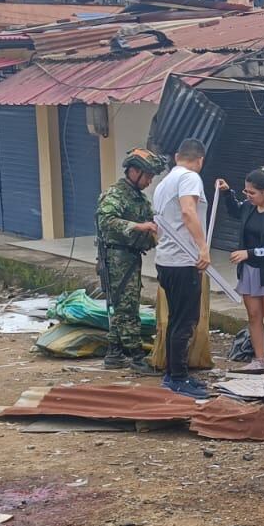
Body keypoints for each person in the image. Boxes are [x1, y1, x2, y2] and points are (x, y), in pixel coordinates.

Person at [95, 148, 164, 374]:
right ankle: (136, 356)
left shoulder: (139, 198)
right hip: (117, 258)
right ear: (134, 171)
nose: (149, 181)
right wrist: (137, 226)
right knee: (127, 307)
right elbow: (105, 220)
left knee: (122, 305)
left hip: (131, 256)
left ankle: (114, 352)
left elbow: (151, 219)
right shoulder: (115, 195)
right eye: (147, 176)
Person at [152, 137, 211, 399]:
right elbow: (188, 212)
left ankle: (176, 373)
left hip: (166, 260)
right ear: (200, 160)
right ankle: (177, 378)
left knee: (177, 319)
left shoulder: (164, 182)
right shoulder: (190, 178)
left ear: (177, 156)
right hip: (182, 260)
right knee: (185, 321)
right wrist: (203, 247)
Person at [215, 166, 264, 373]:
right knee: (254, 316)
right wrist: (226, 193)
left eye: (252, 193)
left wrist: (250, 253)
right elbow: (234, 210)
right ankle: (260, 359)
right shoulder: (248, 207)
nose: (248, 196)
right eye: (245, 192)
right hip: (249, 271)